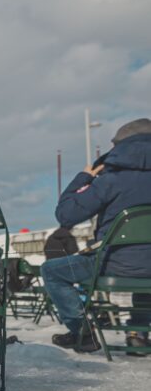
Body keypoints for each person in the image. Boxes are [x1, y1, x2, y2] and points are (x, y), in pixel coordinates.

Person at [43, 118, 151, 352]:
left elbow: (66, 216)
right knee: (146, 273)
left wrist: (84, 177)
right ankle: (138, 335)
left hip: (112, 264)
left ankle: (83, 332)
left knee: (52, 271)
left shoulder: (110, 181)